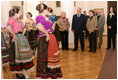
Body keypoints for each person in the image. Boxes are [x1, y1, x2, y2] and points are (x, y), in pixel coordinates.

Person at [35, 4, 62, 79]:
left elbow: (55, 20)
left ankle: (51, 74)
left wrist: (51, 14)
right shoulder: (39, 17)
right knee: (44, 57)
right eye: (47, 9)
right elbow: (39, 27)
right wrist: (47, 34)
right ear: (43, 10)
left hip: (50, 37)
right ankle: (44, 74)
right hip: (44, 38)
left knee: (51, 56)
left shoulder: (47, 17)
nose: (48, 11)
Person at [7, 8, 34, 79]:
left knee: (23, 55)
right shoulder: (11, 19)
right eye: (19, 13)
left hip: (21, 38)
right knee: (16, 55)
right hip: (15, 38)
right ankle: (18, 72)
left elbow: (24, 28)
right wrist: (14, 35)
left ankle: (23, 71)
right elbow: (8, 27)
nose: (20, 14)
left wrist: (23, 32)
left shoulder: (19, 20)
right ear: (15, 13)